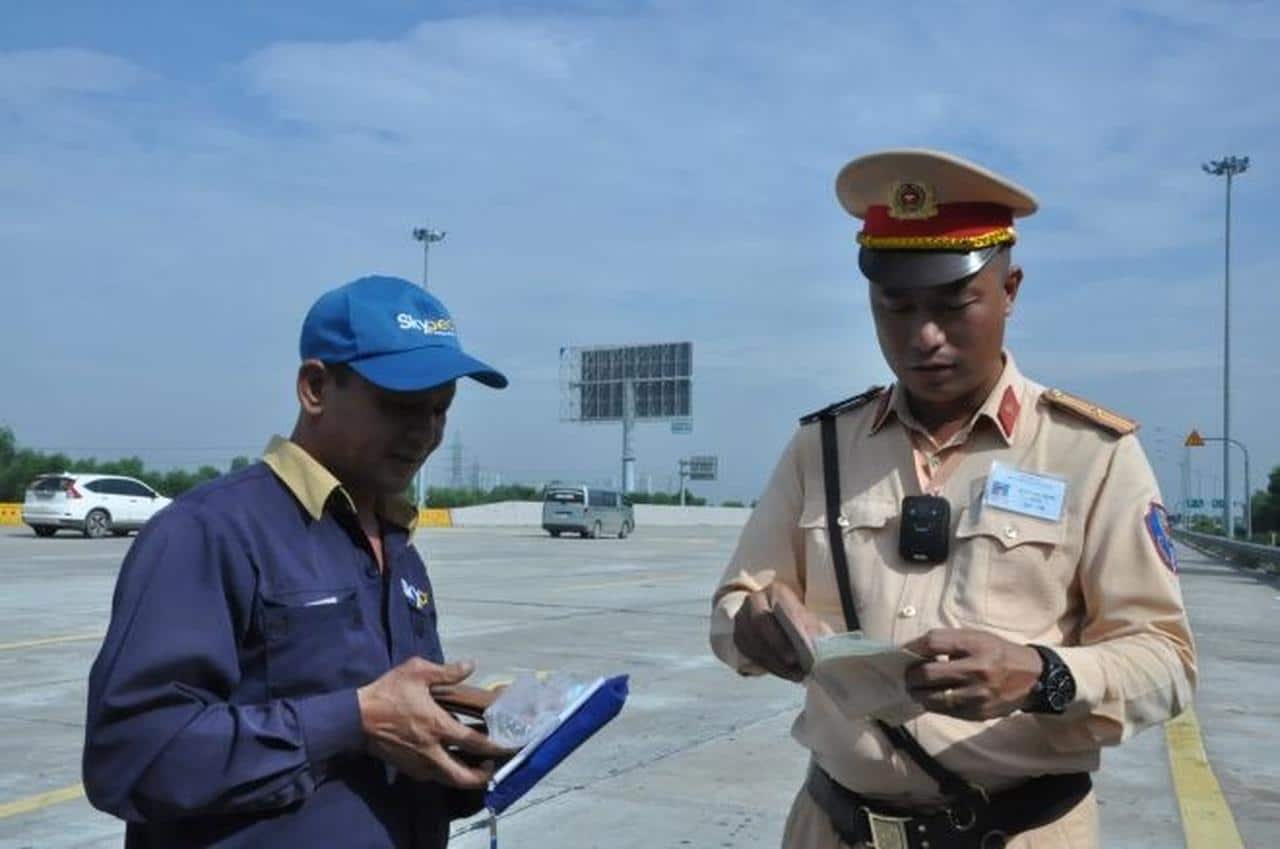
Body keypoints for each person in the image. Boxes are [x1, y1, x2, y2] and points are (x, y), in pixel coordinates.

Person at [709, 150, 1196, 849]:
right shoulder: (822, 447)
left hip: (1018, 832)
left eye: (952, 304)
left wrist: (1045, 675)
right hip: (833, 828)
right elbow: (734, 608)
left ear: (1010, 290)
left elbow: (1166, 659)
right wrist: (752, 625)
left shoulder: (1091, 454)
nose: (923, 337)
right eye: (895, 306)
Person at [84, 275, 512, 848]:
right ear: (314, 388)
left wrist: (478, 745)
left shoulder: (398, 547)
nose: (425, 433)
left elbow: (393, 747)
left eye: (440, 410)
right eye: (401, 406)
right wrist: (354, 721)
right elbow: (131, 755)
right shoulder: (209, 532)